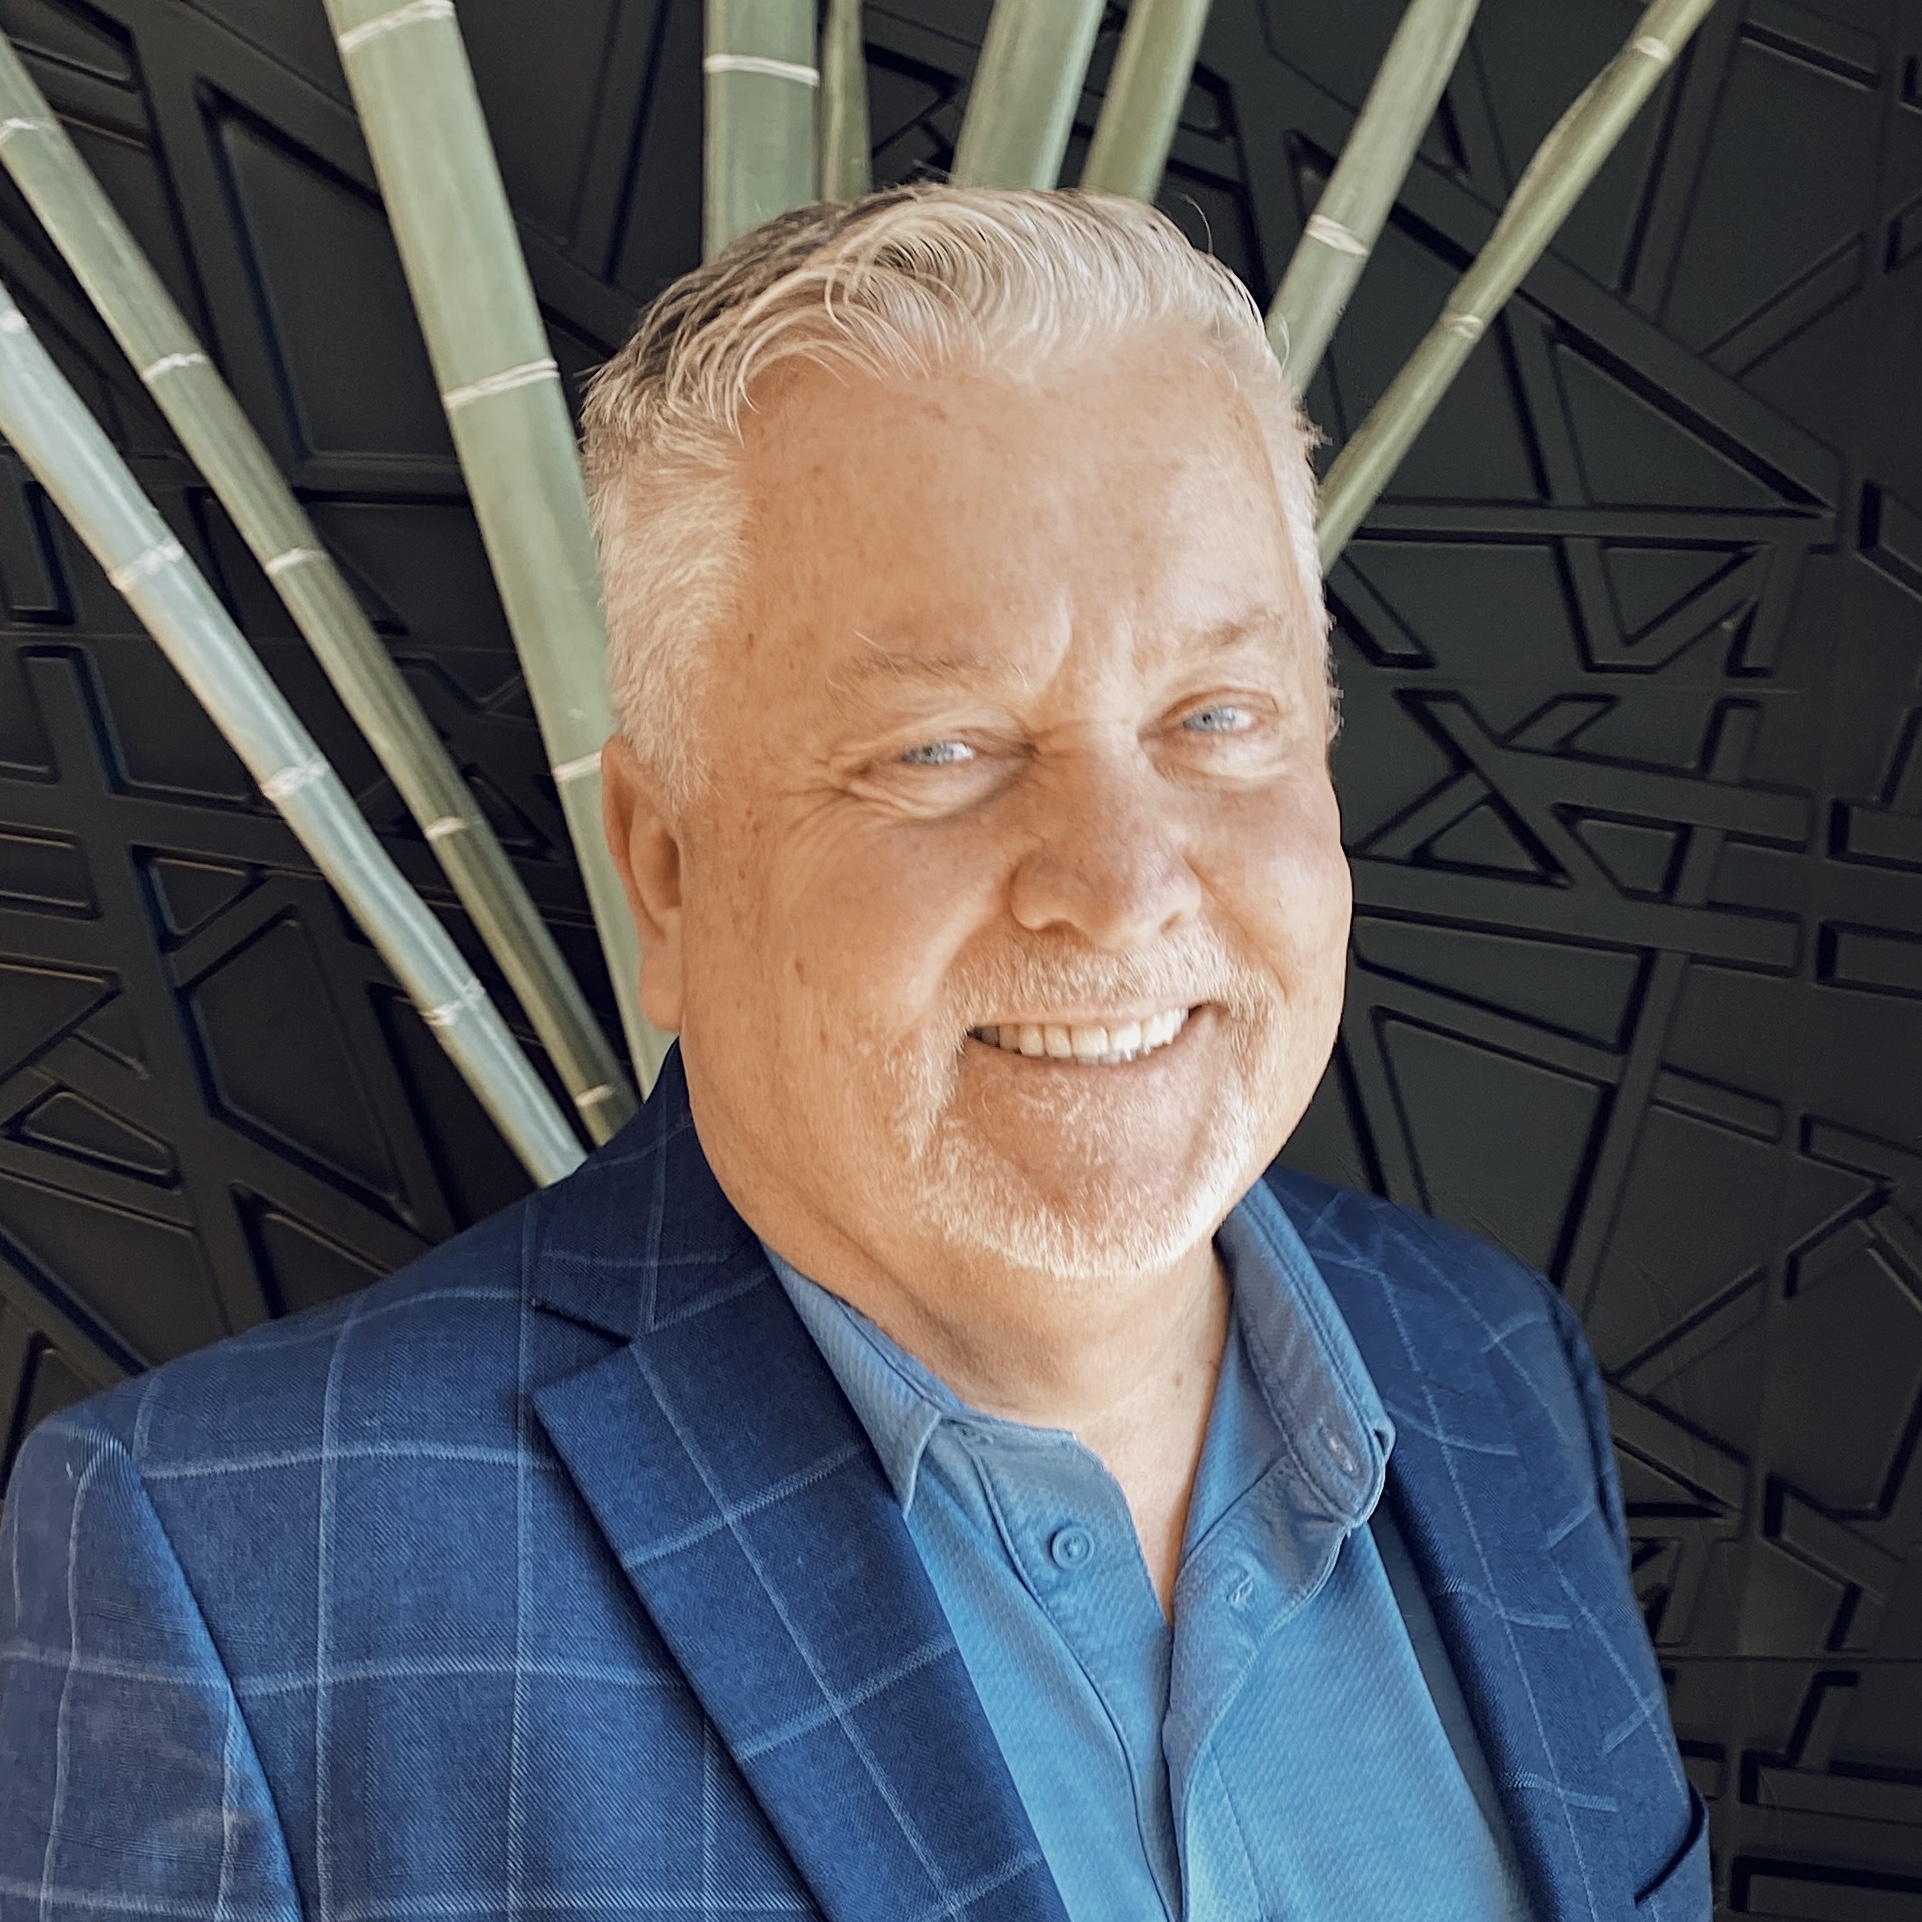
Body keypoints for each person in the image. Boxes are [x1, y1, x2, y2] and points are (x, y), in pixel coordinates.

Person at [0, 187, 1708, 1922]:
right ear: (666, 871)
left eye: (1211, 717)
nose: (1117, 891)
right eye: (942, 748)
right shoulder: (238, 1584)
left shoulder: (1493, 1371)